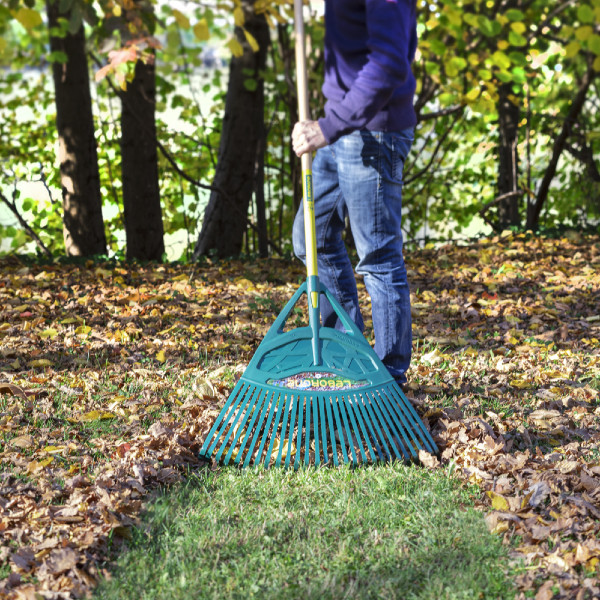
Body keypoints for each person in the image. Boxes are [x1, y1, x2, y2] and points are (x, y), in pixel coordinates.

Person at [291, 0, 418, 387]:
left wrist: (330, 126)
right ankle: (351, 351)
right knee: (310, 238)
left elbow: (389, 62)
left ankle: (389, 376)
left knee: (378, 257)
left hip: (372, 131)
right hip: (343, 123)